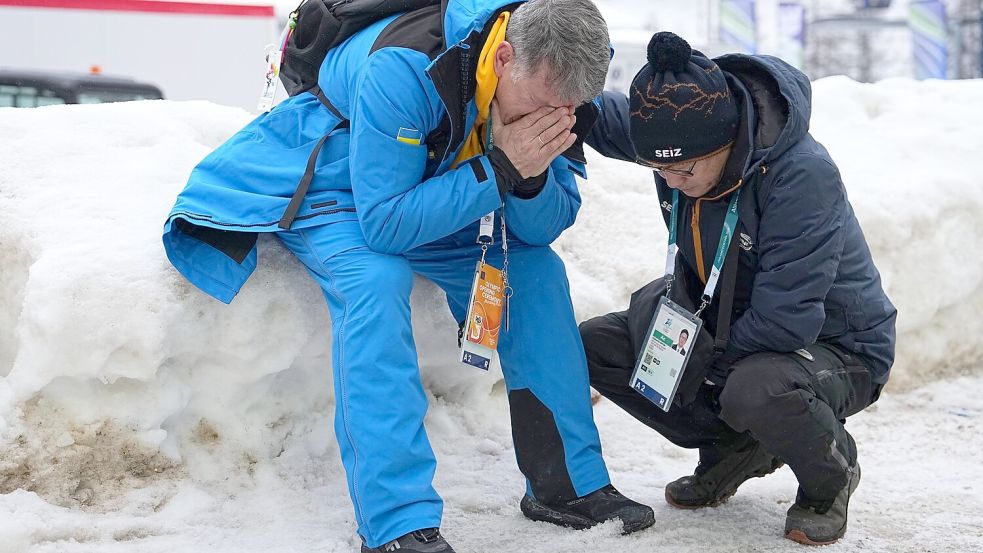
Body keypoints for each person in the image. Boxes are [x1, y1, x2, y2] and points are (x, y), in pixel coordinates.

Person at [161, 1, 654, 551]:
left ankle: (568, 486)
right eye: (541, 105)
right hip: (342, 186)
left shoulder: (554, 88)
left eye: (567, 110)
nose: (549, 121)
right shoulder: (404, 66)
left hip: (446, 183)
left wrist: (531, 178)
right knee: (376, 280)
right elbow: (386, 224)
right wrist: (502, 167)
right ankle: (396, 520)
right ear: (508, 56)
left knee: (535, 272)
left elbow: (539, 232)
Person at [581, 32, 897, 546]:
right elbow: (591, 110)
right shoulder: (676, 142)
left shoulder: (801, 176)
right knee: (599, 345)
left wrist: (698, 369)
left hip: (833, 345)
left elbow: (787, 319)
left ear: (727, 142)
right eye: (659, 169)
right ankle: (735, 448)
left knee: (752, 388)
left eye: (684, 168)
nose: (673, 181)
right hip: (729, 327)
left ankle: (830, 476)